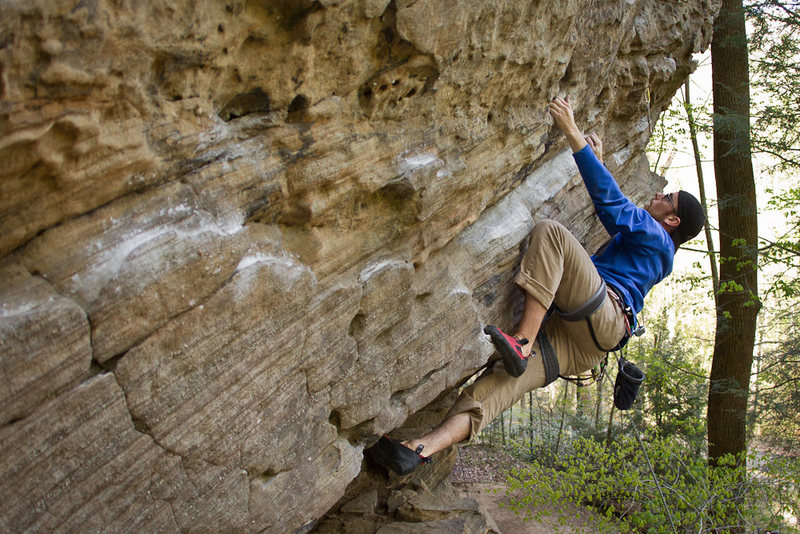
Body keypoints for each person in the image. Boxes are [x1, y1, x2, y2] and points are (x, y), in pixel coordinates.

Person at [368, 97, 706, 475]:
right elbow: (618, 214)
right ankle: (417, 450)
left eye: (667, 198)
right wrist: (598, 160)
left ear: (673, 220)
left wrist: (572, 133)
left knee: (552, 235)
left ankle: (523, 342)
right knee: (496, 390)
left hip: (600, 314)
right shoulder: (655, 250)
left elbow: (614, 207)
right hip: (586, 341)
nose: (658, 195)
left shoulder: (659, 240)